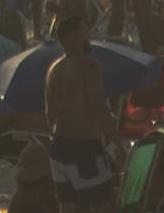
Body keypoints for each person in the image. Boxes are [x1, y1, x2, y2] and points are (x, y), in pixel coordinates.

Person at [44, 14, 113, 211]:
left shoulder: (53, 70)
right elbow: (99, 106)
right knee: (104, 206)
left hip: (58, 149)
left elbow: (50, 114)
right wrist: (117, 144)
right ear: (76, 38)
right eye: (86, 32)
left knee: (69, 208)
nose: (89, 36)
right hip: (84, 149)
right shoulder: (90, 66)